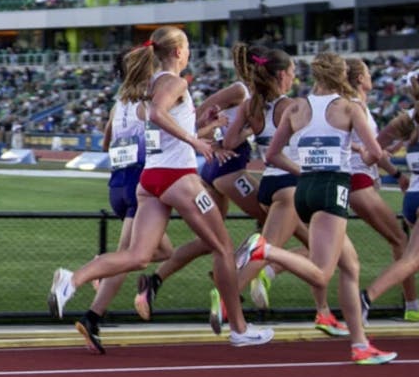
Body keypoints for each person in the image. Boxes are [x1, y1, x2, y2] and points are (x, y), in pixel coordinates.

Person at [48, 26, 273, 347]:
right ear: (179, 52)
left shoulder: (146, 85)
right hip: (177, 177)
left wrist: (201, 121)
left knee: (139, 256)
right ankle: (239, 329)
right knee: (222, 248)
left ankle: (73, 279)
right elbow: (157, 114)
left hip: (150, 179)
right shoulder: (174, 80)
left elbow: (165, 119)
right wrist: (195, 139)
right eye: (188, 47)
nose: (191, 52)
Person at [240, 52, 397, 364]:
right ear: (341, 75)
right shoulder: (349, 107)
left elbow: (272, 155)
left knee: (350, 266)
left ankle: (360, 345)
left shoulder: (297, 107)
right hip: (333, 188)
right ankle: (265, 252)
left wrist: (303, 172)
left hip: (305, 188)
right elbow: (375, 153)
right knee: (322, 273)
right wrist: (366, 155)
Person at [133, 44, 264, 322]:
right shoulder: (241, 90)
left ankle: (155, 280)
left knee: (208, 241)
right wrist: (205, 130)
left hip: (220, 168)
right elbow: (201, 107)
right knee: (268, 217)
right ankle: (237, 279)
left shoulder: (255, 94)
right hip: (228, 165)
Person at [225, 45, 342, 335]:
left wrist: (252, 131)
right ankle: (227, 297)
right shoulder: (292, 106)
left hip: (267, 187)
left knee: (320, 251)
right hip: (291, 186)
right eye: (291, 73)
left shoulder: (250, 106)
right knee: (264, 250)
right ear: (281, 75)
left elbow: (228, 142)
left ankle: (323, 311)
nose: (293, 78)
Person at [75, 50, 174, 352]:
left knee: (164, 251)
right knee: (129, 257)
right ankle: (93, 309)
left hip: (117, 183)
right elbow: (162, 134)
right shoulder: (147, 102)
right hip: (137, 183)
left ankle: (101, 275)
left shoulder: (118, 104)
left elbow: (106, 142)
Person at [345, 58, 419, 321]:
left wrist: (382, 152)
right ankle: (371, 299)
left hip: (414, 198)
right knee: (411, 257)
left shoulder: (407, 119)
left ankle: (371, 299)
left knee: (412, 258)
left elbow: (370, 155)